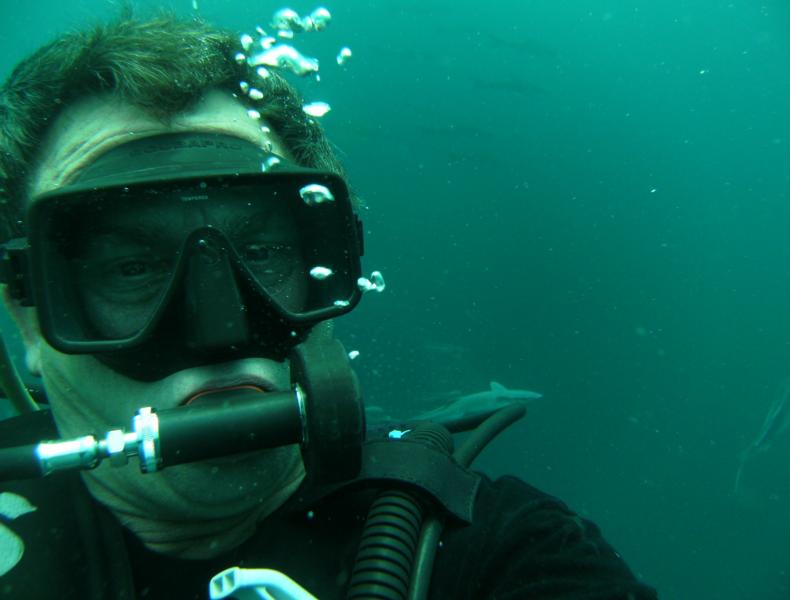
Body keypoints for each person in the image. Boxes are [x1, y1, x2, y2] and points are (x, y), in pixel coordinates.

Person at [0, 10, 658, 600]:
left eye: (260, 255)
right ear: (28, 316)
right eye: (133, 267)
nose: (221, 330)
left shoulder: (495, 550)